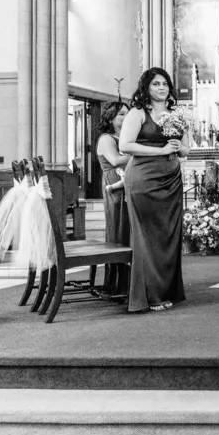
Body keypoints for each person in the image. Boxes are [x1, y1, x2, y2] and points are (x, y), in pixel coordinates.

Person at [119, 67, 187, 314]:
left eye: (165, 84)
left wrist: (179, 146)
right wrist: (160, 151)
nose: (162, 88)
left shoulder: (176, 115)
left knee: (168, 235)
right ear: (146, 87)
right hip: (144, 180)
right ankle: (150, 294)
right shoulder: (138, 113)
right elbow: (125, 145)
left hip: (171, 180)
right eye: (156, 84)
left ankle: (167, 290)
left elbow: (186, 149)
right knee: (148, 237)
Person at [96, 102, 131, 294]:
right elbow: (116, 160)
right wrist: (140, 151)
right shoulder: (106, 138)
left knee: (129, 232)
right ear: (110, 118)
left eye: (128, 113)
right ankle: (117, 284)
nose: (126, 117)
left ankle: (129, 283)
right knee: (119, 230)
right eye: (121, 114)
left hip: (129, 182)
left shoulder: (126, 137)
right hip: (115, 185)